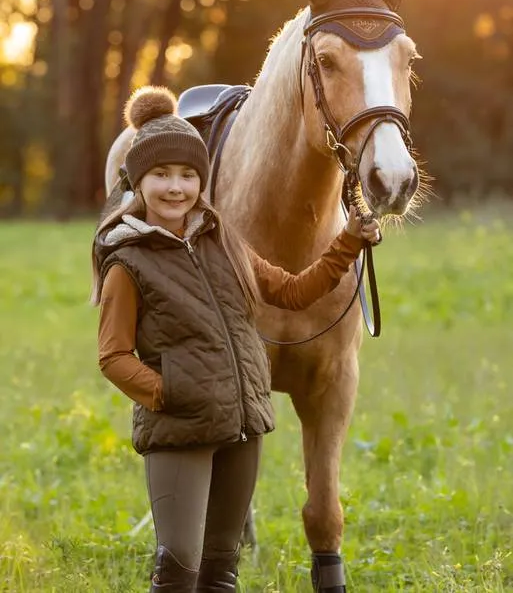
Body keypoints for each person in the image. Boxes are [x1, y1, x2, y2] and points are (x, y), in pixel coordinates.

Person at [91, 86, 381, 592]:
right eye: (161, 175)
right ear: (139, 184)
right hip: (180, 426)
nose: (176, 187)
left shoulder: (226, 242)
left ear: (203, 182)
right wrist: (167, 393)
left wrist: (349, 240)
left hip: (243, 426)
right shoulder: (128, 261)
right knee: (179, 564)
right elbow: (113, 355)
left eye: (187, 175)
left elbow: (293, 291)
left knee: (222, 568)